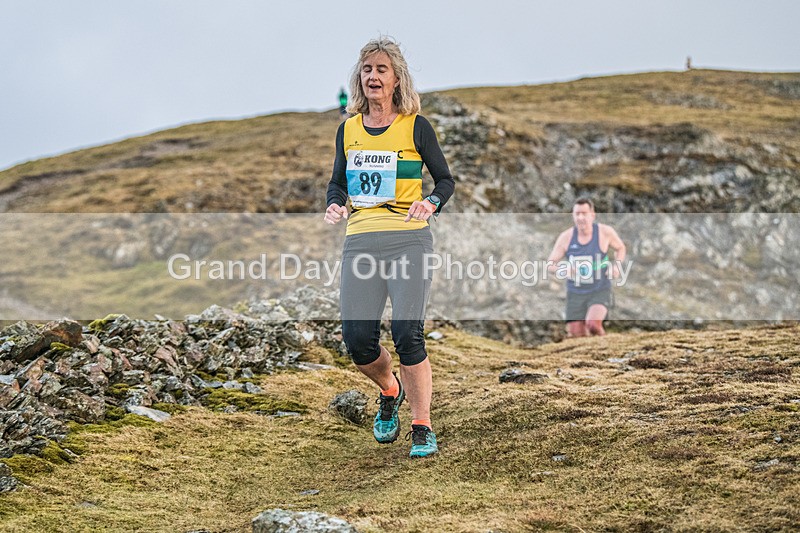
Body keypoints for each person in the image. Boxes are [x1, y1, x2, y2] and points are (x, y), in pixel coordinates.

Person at [324, 37, 455, 458]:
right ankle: (389, 388)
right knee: (357, 339)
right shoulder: (348, 130)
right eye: (367, 70)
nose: (373, 76)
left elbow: (445, 181)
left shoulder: (415, 125)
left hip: (408, 239)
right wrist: (334, 203)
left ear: (396, 77)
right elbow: (338, 182)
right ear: (358, 79)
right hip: (360, 241)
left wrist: (431, 202)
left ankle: (422, 426)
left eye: (381, 69)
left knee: (407, 333)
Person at [546, 198, 626, 337]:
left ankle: (607, 350)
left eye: (584, 213)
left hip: (599, 289)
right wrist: (564, 270)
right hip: (575, 292)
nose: (580, 218)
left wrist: (616, 266)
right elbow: (550, 264)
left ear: (592, 215)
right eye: (577, 214)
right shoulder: (566, 237)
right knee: (577, 335)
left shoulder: (604, 232)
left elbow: (620, 248)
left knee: (593, 325)